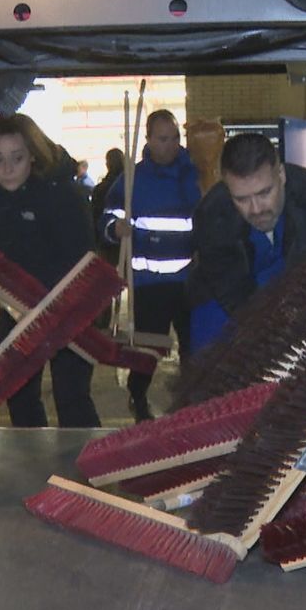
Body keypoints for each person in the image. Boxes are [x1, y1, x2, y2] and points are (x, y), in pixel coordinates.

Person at [0, 114, 101, 428]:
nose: (6, 169)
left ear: (32, 154)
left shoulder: (62, 195)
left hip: (71, 305)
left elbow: (81, 260)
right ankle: (32, 465)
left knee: (71, 396)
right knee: (18, 394)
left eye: (16, 158)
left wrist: (48, 309)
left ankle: (85, 470)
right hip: (15, 304)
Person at [186, 133, 306, 351]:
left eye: (264, 192)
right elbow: (236, 297)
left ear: (282, 175)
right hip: (225, 305)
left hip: (303, 288)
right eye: (241, 199)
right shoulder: (212, 217)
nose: (256, 209)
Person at [101, 109, 202, 421]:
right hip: (149, 282)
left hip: (189, 280)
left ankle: (192, 403)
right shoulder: (131, 179)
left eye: (174, 138)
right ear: (148, 140)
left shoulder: (194, 174)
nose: (169, 145)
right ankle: (138, 398)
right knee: (146, 348)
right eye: (162, 139)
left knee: (194, 347)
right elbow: (109, 216)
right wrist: (115, 228)